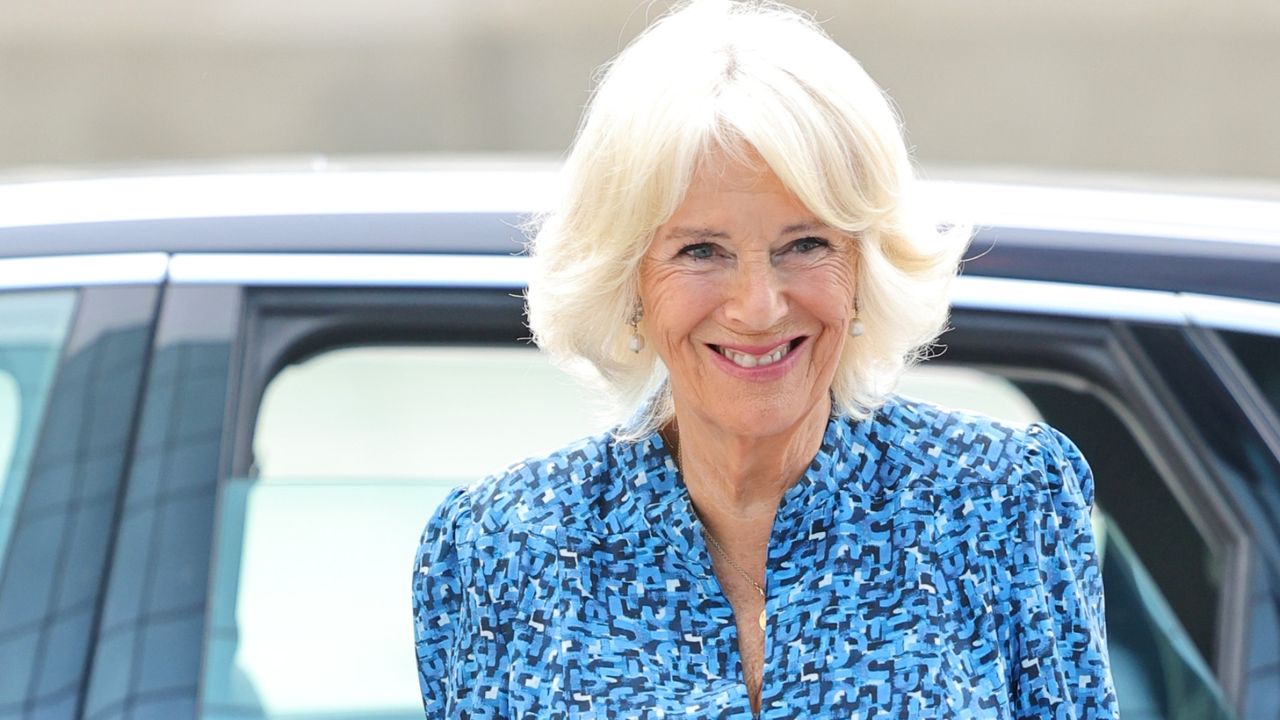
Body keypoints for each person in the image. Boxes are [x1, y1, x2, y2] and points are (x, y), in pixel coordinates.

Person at [412, 0, 1119, 717]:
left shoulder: (997, 504)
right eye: (700, 251)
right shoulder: (503, 545)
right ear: (627, 280)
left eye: (804, 245)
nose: (757, 306)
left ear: (866, 264)